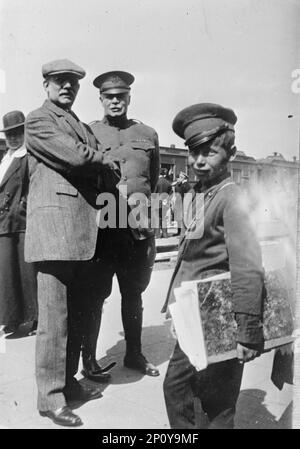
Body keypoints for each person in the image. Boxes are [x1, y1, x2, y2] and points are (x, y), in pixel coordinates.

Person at [25, 59, 117, 427]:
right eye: (60, 82)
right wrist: (104, 160)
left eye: (73, 84)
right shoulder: (38, 119)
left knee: (74, 317)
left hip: (81, 233)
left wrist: (103, 162)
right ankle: (49, 399)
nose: (67, 88)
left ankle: (67, 386)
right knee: (54, 321)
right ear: (46, 85)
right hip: (55, 232)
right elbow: (76, 157)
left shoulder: (76, 122)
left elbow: (96, 159)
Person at [162, 103, 265, 429]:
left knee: (193, 394)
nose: (198, 161)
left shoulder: (232, 198)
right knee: (203, 399)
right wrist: (174, 307)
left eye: (210, 152)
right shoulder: (201, 193)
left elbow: (247, 265)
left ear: (231, 154)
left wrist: (248, 331)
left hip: (218, 314)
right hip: (196, 313)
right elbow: (188, 255)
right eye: (194, 152)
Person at [81, 70, 160, 379]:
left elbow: (150, 181)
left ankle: (134, 354)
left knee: (133, 293)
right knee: (95, 294)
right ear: (101, 99)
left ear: (129, 98)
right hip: (102, 231)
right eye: (109, 97)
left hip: (136, 230)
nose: (116, 101)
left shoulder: (148, 134)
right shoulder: (89, 132)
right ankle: (89, 360)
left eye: (121, 97)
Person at [0, 111, 37, 336]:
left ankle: (33, 318)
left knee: (25, 272)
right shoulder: (7, 157)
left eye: (17, 133)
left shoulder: (27, 156)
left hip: (21, 221)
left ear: (24, 132)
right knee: (6, 272)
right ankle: (11, 317)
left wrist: (23, 204)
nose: (13, 138)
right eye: (9, 134)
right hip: (4, 221)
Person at [172, 171, 191, 236]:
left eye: (180, 177)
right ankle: (179, 232)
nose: (179, 178)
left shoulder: (186, 185)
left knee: (182, 219)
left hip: (183, 204)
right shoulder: (181, 185)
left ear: (183, 178)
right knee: (179, 218)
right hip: (180, 204)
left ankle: (182, 232)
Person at [155, 168, 173, 238]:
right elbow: (171, 193)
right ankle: (165, 234)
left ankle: (157, 235)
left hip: (156, 203)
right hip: (165, 203)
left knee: (156, 218)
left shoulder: (156, 182)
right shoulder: (168, 182)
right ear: (164, 174)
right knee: (163, 218)